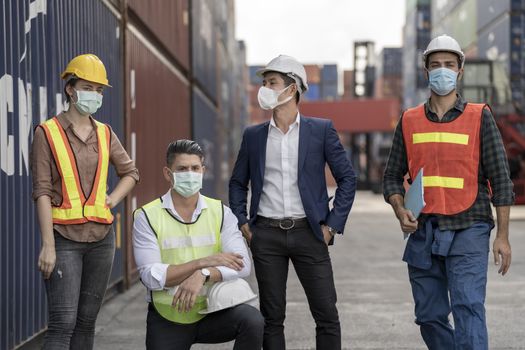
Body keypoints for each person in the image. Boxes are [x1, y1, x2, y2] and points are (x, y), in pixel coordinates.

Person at [383, 35, 514, 350]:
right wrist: (401, 210)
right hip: (424, 230)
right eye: (436, 65)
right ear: (426, 71)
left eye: (449, 65)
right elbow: (390, 177)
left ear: (460, 71)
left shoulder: (479, 116)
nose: (443, 71)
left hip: (470, 224)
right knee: (428, 315)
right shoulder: (409, 120)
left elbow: (500, 177)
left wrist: (503, 235)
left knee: (468, 306)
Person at [229, 55, 356, 350]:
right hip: (267, 235)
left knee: (326, 315)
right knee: (272, 319)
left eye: (272, 83)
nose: (265, 88)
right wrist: (244, 224)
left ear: (293, 88)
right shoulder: (253, 136)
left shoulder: (321, 130)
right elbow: (237, 183)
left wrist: (332, 227)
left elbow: (347, 179)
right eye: (264, 83)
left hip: (310, 233)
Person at [30, 54, 139, 349]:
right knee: (62, 324)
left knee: (86, 323)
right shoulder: (47, 133)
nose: (95, 95)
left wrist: (111, 199)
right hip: (63, 240)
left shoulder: (104, 133)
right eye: (88, 87)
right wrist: (48, 245)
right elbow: (41, 190)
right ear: (70, 88)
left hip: (101, 240)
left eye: (99, 90)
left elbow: (130, 173)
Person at [132, 139, 264, 350]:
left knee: (253, 321)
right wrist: (201, 263)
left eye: (195, 168)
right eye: (182, 169)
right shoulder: (147, 216)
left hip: (214, 311)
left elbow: (243, 264)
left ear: (203, 170)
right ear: (168, 174)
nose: (190, 174)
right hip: (168, 317)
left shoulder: (220, 212)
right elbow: (150, 276)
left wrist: (204, 274)